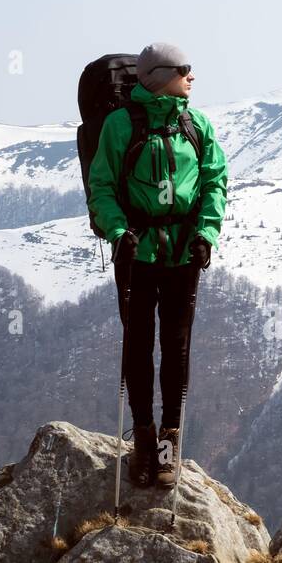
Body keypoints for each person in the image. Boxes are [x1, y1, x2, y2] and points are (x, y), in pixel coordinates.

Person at [87, 42, 226, 488]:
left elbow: (214, 181)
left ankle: (168, 443)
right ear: (160, 75)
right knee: (139, 346)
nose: (192, 77)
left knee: (176, 347)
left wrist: (206, 234)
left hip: (183, 253)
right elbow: (102, 185)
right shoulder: (120, 125)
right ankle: (144, 441)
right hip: (137, 252)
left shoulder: (195, 123)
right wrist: (117, 232)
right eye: (185, 69)